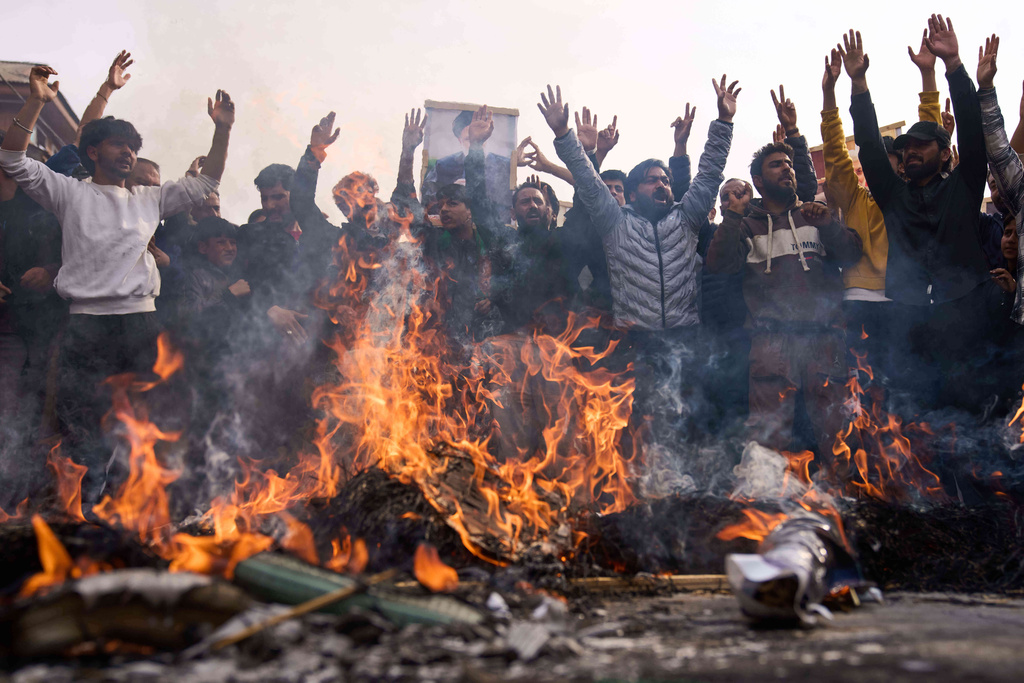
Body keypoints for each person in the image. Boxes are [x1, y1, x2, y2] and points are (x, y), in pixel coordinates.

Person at [0, 64, 234, 503]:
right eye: (118, 144)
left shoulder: (150, 198)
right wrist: (35, 102)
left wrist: (222, 130)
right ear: (92, 151)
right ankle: (84, 510)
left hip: (140, 326)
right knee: (81, 427)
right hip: (86, 326)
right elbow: (12, 158)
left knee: (141, 427)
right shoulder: (69, 192)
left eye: (132, 147)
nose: (128, 153)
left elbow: (208, 180)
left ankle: (131, 511)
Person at [544, 77, 738, 448]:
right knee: (638, 429)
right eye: (652, 181)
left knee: (689, 425)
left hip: (686, 339)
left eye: (665, 180)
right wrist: (564, 135)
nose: (662, 185)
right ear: (633, 192)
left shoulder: (686, 218)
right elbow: (587, 180)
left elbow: (711, 172)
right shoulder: (614, 221)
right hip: (636, 344)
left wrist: (724, 122)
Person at [844, 18, 996, 409]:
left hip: (967, 311)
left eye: (921, 145)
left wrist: (954, 66)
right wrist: (859, 84)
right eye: (906, 146)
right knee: (915, 415)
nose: (910, 150)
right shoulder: (893, 195)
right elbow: (869, 145)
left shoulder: (965, 185)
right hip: (908, 319)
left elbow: (972, 130)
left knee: (972, 410)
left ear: (944, 154)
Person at [706, 139, 863, 465]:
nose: (787, 169)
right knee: (768, 434)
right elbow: (718, 265)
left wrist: (828, 225)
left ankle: (849, 491)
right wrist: (733, 216)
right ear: (759, 180)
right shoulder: (746, 225)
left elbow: (851, 254)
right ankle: (767, 493)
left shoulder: (814, 214)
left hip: (823, 338)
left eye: (789, 164)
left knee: (837, 430)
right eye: (776, 165)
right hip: (771, 341)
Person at [821, 38, 944, 382]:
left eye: (894, 161)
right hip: (862, 301)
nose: (884, 169)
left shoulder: (919, 196)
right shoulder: (856, 197)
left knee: (911, 390)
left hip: (912, 299)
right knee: (864, 393)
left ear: (904, 166)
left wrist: (928, 76)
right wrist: (830, 93)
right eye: (879, 161)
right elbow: (835, 154)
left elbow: (931, 135)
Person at [422, 108, 512, 210]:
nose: (475, 143)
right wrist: (450, 192)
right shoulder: (442, 166)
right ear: (460, 141)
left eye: (480, 138)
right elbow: (426, 201)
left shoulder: (505, 166)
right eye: (469, 139)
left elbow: (511, 204)